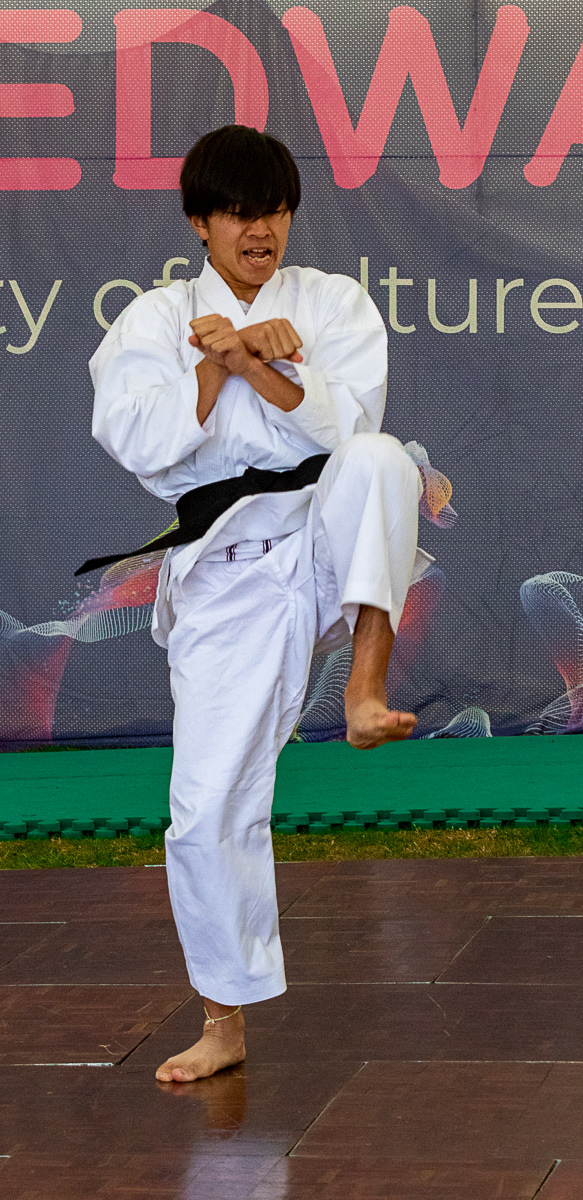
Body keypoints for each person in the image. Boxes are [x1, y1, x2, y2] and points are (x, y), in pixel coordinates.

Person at [89, 124, 431, 1083]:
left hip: (323, 542)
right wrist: (218, 359)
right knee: (206, 808)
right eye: (239, 214)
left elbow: (346, 426)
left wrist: (257, 361)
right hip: (226, 571)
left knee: (380, 458)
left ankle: (365, 686)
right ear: (199, 222)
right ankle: (223, 1021)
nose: (260, 231)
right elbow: (139, 442)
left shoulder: (331, 302)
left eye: (274, 212)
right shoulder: (155, 320)